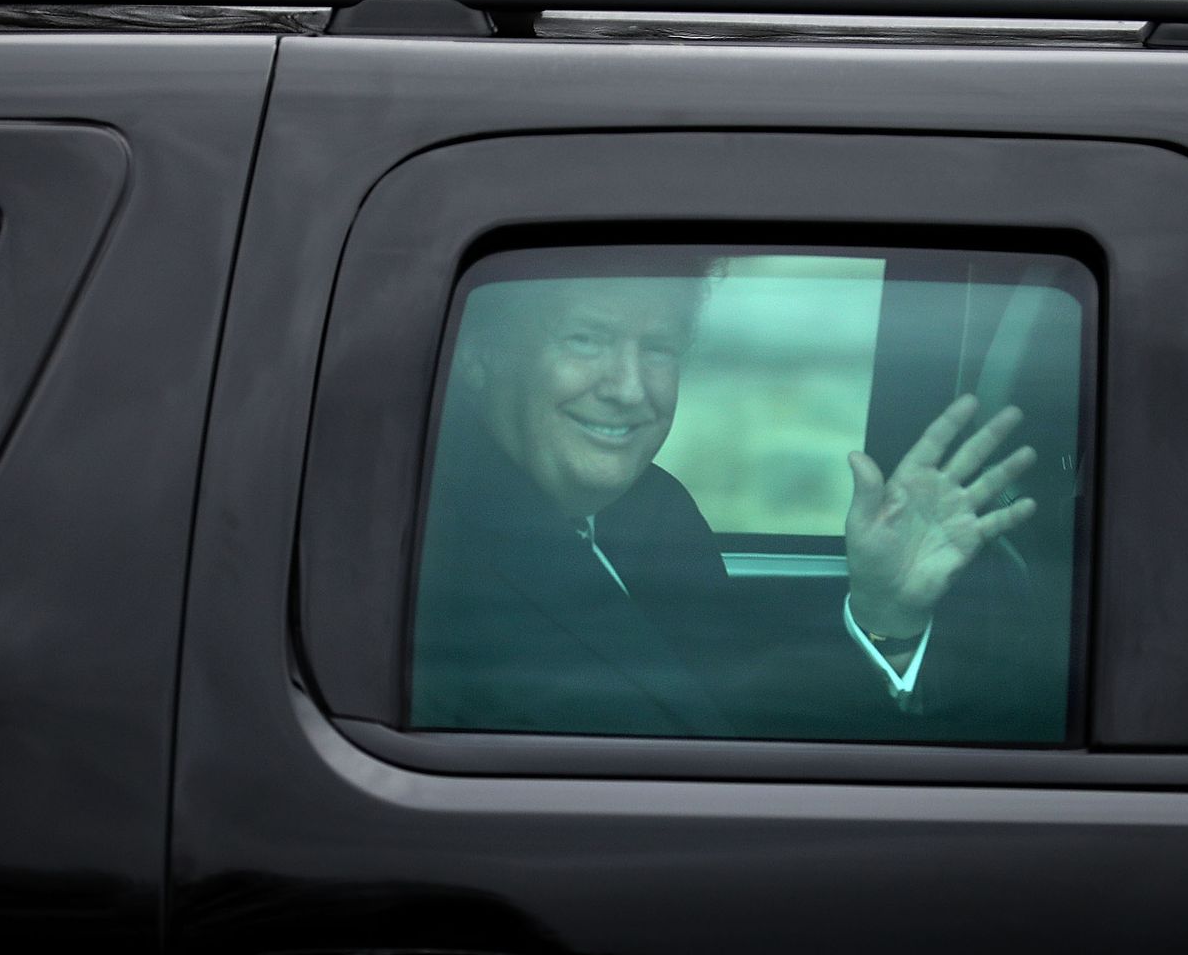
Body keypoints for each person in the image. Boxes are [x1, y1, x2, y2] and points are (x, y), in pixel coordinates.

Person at [409, 263, 1044, 742]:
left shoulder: (654, 508)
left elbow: (743, 713)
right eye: (586, 339)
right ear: (478, 356)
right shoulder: (423, 551)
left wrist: (887, 614)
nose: (630, 389)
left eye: (658, 349)